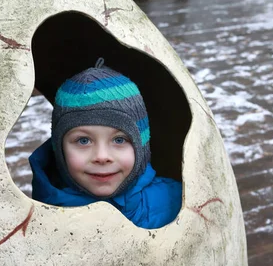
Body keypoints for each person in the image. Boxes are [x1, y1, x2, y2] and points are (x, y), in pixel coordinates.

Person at [29, 58, 182, 229]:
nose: (102, 156)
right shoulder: (40, 219)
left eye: (119, 140)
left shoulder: (179, 202)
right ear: (59, 150)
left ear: (142, 145)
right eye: (83, 140)